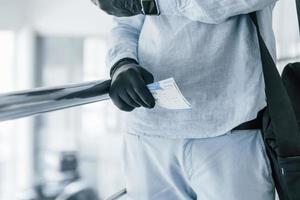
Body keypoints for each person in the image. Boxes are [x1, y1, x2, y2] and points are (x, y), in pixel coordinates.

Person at [92, 0, 278, 199]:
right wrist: (122, 62)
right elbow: (126, 21)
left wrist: (153, 3)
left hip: (231, 128)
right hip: (148, 130)